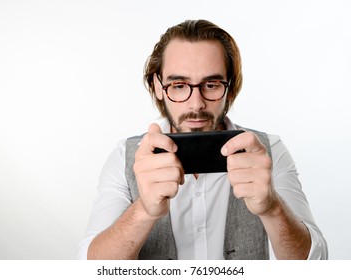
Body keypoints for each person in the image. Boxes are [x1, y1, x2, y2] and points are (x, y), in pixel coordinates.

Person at [78, 19, 328, 260]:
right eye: (178, 85)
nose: (196, 104)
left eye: (211, 84)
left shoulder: (268, 151)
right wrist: (144, 210)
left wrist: (272, 208)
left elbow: (315, 264)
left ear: (230, 86)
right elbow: (89, 266)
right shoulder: (125, 155)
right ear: (157, 85)